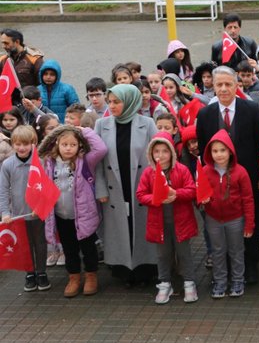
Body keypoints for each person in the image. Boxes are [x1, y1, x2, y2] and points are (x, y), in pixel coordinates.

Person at [196, 66, 259, 284]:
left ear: (237, 85)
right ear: (213, 87)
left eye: (228, 84)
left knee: (249, 220)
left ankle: (251, 264)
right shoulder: (205, 114)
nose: (224, 89)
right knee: (220, 221)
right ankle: (224, 266)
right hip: (216, 181)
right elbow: (202, 149)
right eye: (219, 85)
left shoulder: (252, 110)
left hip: (247, 177)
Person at [94, 84, 159, 286]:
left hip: (141, 187)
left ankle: (146, 268)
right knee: (119, 228)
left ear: (130, 102)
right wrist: (101, 188)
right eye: (110, 101)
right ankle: (123, 269)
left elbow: (158, 157)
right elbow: (97, 162)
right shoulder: (101, 124)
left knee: (141, 225)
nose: (111, 106)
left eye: (117, 102)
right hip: (115, 187)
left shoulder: (147, 123)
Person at [38, 125, 107, 297]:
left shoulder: (85, 162)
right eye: (65, 144)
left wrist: (82, 129)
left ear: (79, 146)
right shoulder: (49, 162)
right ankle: (74, 277)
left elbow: (101, 148)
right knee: (69, 249)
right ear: (57, 145)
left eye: (73, 145)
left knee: (88, 248)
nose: (68, 148)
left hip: (84, 216)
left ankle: (91, 276)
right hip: (61, 216)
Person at [136, 132, 198, 304]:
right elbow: (141, 194)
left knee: (184, 253)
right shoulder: (149, 173)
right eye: (157, 151)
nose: (161, 155)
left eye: (165, 151)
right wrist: (156, 198)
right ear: (151, 153)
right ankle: (164, 283)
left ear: (172, 152)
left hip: (182, 221)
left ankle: (189, 282)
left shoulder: (182, 170)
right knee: (163, 255)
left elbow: (192, 190)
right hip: (159, 223)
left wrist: (176, 194)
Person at [199, 129, 255, 299]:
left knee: (236, 250)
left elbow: (248, 199)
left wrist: (249, 224)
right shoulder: (205, 171)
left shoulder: (240, 172)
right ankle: (220, 281)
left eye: (223, 150)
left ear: (230, 151)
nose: (219, 155)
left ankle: (238, 280)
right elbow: (199, 194)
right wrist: (202, 200)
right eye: (215, 151)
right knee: (217, 251)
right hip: (213, 218)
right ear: (210, 152)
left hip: (235, 219)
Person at [0, 125, 49, 291]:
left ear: (33, 143)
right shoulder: (7, 165)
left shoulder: (40, 162)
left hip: (37, 213)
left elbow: (47, 187)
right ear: (13, 144)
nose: (21, 148)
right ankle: (29, 272)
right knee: (24, 244)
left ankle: (41, 272)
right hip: (18, 215)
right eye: (18, 144)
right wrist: (5, 212)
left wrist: (41, 206)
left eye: (26, 144)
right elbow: (3, 190)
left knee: (40, 243)